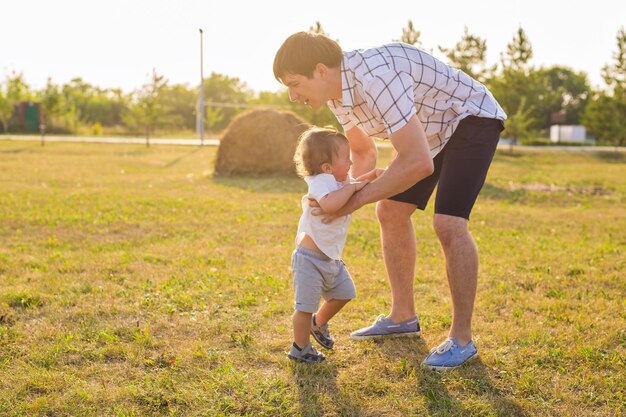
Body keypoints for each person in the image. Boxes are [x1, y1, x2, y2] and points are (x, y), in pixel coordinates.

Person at [274, 31, 506, 370]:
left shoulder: (374, 77)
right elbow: (364, 153)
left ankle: (462, 339)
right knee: (391, 210)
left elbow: (417, 162)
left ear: (321, 70)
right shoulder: (338, 96)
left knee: (448, 223)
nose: (293, 96)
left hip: (470, 118)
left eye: (295, 84)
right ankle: (403, 316)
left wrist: (353, 201)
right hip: (431, 134)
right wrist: (339, 196)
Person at [287, 126, 369, 363]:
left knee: (345, 293)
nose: (351, 163)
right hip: (309, 259)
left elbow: (353, 188)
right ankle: (300, 348)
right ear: (326, 168)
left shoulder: (338, 179)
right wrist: (353, 186)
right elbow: (331, 205)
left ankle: (318, 324)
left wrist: (370, 179)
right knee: (304, 307)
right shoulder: (321, 181)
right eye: (346, 159)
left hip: (330, 257)